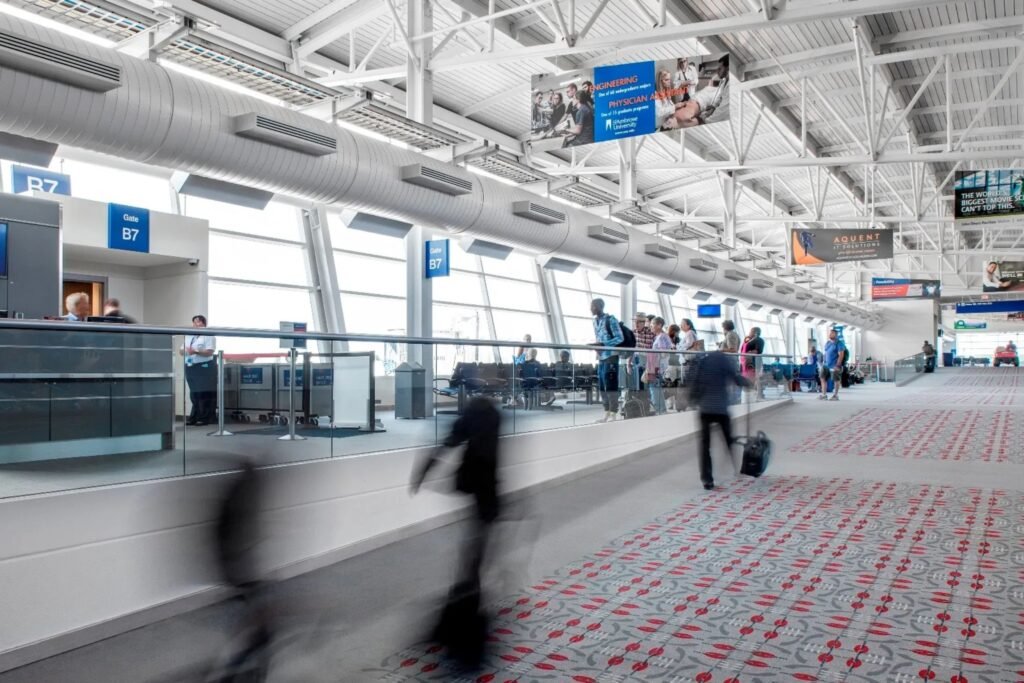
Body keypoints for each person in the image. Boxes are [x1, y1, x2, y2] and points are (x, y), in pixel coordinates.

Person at [410, 396, 501, 667]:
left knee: (472, 560)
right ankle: (460, 624)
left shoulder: (476, 419)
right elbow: (473, 452)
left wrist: (424, 471)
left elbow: (449, 443)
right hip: (486, 496)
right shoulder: (492, 418)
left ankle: (459, 626)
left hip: (480, 494)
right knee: (473, 560)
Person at [684, 350, 751, 490]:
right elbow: (736, 378)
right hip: (721, 408)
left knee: (705, 445)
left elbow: (694, 381)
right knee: (728, 439)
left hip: (705, 408)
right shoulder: (724, 360)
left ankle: (707, 480)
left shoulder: (702, 361)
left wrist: (693, 399)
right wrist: (747, 382)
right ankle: (738, 468)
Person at [591, 298, 624, 422]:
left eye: (593, 306)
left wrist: (603, 344)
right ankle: (606, 412)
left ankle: (613, 413)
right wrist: (597, 346)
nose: (591, 309)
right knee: (602, 386)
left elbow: (619, 338)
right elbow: (599, 338)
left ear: (599, 307)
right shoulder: (595, 321)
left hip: (611, 357)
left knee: (611, 385)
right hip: (601, 357)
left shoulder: (611, 320)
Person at [182, 314, 217, 426]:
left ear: (204, 323)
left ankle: (205, 418)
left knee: (203, 393)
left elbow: (209, 352)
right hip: (190, 366)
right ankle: (194, 416)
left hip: (203, 366)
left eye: (199, 321)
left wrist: (195, 351)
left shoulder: (208, 335)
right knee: (194, 393)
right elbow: (181, 351)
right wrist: (186, 351)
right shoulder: (189, 336)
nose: (196, 324)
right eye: (194, 322)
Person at [647, 317, 673, 414]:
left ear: (659, 325)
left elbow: (663, 353)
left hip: (657, 367)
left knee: (654, 388)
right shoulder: (660, 336)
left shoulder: (662, 337)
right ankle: (661, 410)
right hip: (658, 366)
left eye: (653, 324)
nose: (651, 326)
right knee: (657, 389)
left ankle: (659, 410)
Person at [694, 55, 730, 123]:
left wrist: (705, 120)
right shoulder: (724, 81)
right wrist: (713, 107)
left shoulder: (730, 86)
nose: (717, 71)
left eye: (720, 69)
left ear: (728, 68)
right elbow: (719, 97)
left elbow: (722, 110)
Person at [629, 311, 655, 395]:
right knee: (637, 384)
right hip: (637, 361)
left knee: (648, 384)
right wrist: (628, 364)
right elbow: (631, 350)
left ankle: (647, 399)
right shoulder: (632, 333)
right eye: (634, 321)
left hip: (649, 361)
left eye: (638, 322)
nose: (636, 324)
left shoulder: (651, 332)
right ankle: (640, 399)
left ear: (644, 323)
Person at [819, 328, 845, 401]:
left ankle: (835, 395)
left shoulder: (839, 343)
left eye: (832, 333)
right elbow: (826, 353)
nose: (830, 334)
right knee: (822, 378)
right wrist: (823, 363)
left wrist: (837, 365)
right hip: (825, 365)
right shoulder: (828, 343)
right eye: (829, 333)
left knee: (836, 380)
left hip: (834, 365)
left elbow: (841, 355)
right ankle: (824, 395)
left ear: (836, 335)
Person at [741, 327, 765, 399]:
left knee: (754, 378)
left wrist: (748, 353)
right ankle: (750, 394)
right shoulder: (749, 340)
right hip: (746, 361)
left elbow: (757, 351)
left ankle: (756, 395)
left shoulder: (759, 340)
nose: (749, 333)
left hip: (754, 362)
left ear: (755, 332)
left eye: (750, 331)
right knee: (748, 377)